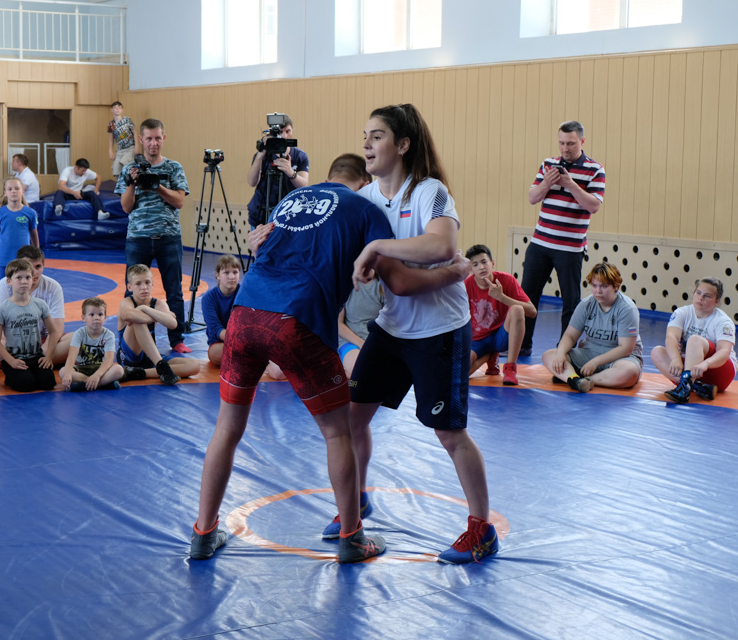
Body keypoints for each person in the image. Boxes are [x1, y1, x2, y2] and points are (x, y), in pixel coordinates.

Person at [189, 154, 393, 563]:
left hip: (244, 316)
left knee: (226, 428)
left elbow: (263, 247)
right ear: (363, 182)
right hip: (296, 319)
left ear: (328, 177)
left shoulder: (288, 202)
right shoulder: (364, 207)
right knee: (338, 433)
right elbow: (390, 269)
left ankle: (203, 533)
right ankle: (352, 537)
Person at [342, 105, 497, 564]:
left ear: (403, 144)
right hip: (392, 327)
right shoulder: (366, 197)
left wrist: (376, 245)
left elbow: (443, 245)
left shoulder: (430, 191)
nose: (366, 144)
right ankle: (356, 502)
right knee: (351, 420)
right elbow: (400, 279)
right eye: (365, 135)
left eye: (377, 136)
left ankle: (482, 529)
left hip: (440, 330)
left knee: (450, 435)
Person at [520, 121, 605, 356]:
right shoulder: (548, 164)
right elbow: (532, 197)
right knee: (527, 296)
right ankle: (523, 344)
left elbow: (593, 206)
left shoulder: (595, 169)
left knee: (570, 301)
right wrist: (547, 182)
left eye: (571, 143)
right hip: (540, 243)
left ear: (582, 141)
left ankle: (564, 350)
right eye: (561, 143)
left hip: (570, 247)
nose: (565, 148)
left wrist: (570, 184)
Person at [116, 118, 192, 353]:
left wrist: (156, 185)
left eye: (158, 138)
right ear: (141, 139)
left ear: (163, 138)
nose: (153, 143)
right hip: (138, 239)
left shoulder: (173, 167)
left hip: (168, 238)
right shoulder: (129, 169)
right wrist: (133, 183)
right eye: (149, 138)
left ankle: (176, 339)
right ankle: (133, 340)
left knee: (174, 291)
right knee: (133, 291)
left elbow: (179, 201)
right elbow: (126, 207)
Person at [541, 262, 642, 393]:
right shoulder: (586, 304)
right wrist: (560, 354)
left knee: (629, 373)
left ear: (616, 286)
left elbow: (626, 349)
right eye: (594, 285)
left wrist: (596, 362)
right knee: (549, 355)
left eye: (604, 286)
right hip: (589, 353)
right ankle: (575, 380)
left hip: (620, 359)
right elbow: (570, 335)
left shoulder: (627, 309)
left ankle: (582, 378)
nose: (598, 291)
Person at [650, 277, 738, 404]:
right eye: (698, 293)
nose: (700, 298)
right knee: (657, 352)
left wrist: (706, 364)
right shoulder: (682, 313)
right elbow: (671, 337)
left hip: (718, 371)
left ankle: (685, 387)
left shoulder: (723, 321)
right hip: (693, 371)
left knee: (695, 340)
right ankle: (696, 387)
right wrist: (675, 358)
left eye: (707, 296)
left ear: (717, 301)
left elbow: (724, 352)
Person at [0, 246, 71, 367]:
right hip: (15, 342)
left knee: (77, 339)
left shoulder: (53, 287)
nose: (34, 272)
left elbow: (57, 327)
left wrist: (44, 351)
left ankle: (28, 363)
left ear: (43, 266)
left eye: (38, 267)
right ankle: (37, 363)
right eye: (29, 266)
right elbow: (1, 330)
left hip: (44, 340)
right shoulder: (4, 286)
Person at [464, 244, 536, 385]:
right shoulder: (466, 286)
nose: (481, 267)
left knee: (517, 309)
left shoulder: (507, 280)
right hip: (477, 340)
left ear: (492, 263)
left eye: (484, 262)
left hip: (501, 337)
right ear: (470, 269)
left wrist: (502, 297)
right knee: (460, 374)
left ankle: (510, 368)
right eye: (475, 264)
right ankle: (488, 356)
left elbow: (532, 312)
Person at [117, 264, 200, 385]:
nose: (144, 287)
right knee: (136, 318)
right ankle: (161, 366)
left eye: (147, 282)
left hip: (149, 357)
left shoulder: (158, 304)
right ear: (129, 287)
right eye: (138, 284)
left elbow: (173, 324)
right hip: (129, 356)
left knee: (194, 366)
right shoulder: (127, 302)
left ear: (152, 284)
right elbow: (127, 315)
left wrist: (145, 308)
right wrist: (158, 316)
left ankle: (139, 373)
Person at [0, 258, 60, 393]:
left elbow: (53, 332)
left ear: (32, 279)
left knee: (48, 383)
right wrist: (10, 361)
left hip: (35, 356)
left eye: (28, 277)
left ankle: (27, 374)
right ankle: (10, 377)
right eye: (19, 278)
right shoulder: (2, 309)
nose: (24, 281)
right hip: (14, 357)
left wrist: (48, 356)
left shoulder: (40, 305)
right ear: (9, 281)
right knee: (26, 385)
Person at [245, 114, 310, 228]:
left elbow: (304, 186)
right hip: (261, 216)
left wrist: (290, 172)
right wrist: (261, 154)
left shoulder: (300, 156)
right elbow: (251, 182)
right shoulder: (262, 155)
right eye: (280, 132)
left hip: (289, 215)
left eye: (288, 131)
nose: (284, 136)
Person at [60, 297, 123, 392]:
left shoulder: (109, 335)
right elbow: (72, 356)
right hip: (82, 368)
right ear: (83, 318)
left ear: (105, 318)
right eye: (92, 314)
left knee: (119, 370)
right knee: (62, 372)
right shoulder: (79, 333)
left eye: (100, 314)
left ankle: (83, 385)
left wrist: (97, 375)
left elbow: (109, 359)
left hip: (101, 369)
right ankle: (103, 384)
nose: (96, 318)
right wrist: (68, 373)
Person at [0, 177, 39, 281]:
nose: (13, 191)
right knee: (3, 287)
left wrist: (37, 254)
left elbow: (34, 234)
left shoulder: (30, 213)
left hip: (23, 258)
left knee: (23, 286)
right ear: (5, 192)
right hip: (3, 258)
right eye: (10, 189)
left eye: (17, 188)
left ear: (22, 191)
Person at [202, 254, 242, 367]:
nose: (231, 277)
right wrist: (237, 340)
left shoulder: (244, 293)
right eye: (226, 273)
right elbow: (215, 328)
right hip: (220, 342)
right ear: (218, 275)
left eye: (235, 272)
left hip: (243, 339)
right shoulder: (208, 298)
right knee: (215, 354)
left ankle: (243, 359)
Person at [107, 101, 140, 178]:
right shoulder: (111, 124)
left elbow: (135, 132)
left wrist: (137, 146)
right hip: (120, 150)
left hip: (130, 148)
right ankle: (122, 184)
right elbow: (111, 137)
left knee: (124, 163)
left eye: (119, 108)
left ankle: (131, 182)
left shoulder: (127, 120)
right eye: (115, 108)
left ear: (122, 110)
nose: (117, 109)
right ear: (111, 110)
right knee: (116, 171)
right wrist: (110, 150)